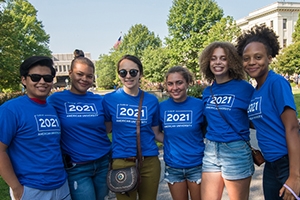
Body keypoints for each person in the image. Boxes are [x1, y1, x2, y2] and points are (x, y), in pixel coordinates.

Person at [236, 24, 300, 200]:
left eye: (258, 57)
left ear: (270, 57)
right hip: (271, 165)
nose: (251, 62)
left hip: (288, 162)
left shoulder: (276, 83)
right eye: (246, 58)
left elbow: (292, 128)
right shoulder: (256, 90)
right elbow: (264, 121)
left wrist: (295, 176)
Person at [0, 56, 71, 200]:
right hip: (31, 189)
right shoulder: (10, 110)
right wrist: (16, 187)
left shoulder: (52, 108)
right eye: (35, 77)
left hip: (61, 185)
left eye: (47, 78)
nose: (42, 82)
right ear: (24, 80)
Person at [47, 51, 111, 200]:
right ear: (70, 73)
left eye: (89, 76)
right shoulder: (56, 100)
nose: (84, 79)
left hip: (103, 162)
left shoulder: (98, 100)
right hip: (77, 167)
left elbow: (108, 127)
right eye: (80, 74)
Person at [102, 54, 163, 200]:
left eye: (133, 72)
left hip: (149, 162)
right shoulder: (109, 100)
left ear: (140, 74)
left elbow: (155, 132)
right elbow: (106, 129)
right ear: (118, 74)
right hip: (122, 162)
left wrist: (182, 143)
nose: (128, 76)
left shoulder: (151, 101)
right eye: (123, 72)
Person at [199, 41, 255, 200]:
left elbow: (257, 117)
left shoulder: (245, 88)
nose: (217, 62)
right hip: (210, 150)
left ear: (231, 61)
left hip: (236, 150)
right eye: (213, 58)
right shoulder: (207, 92)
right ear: (207, 62)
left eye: (223, 58)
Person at [159, 66, 205, 200]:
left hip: (197, 165)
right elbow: (155, 132)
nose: (175, 87)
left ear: (187, 83)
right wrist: (170, 141)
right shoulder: (161, 107)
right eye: (170, 84)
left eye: (179, 82)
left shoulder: (199, 105)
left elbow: (207, 130)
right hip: (173, 166)